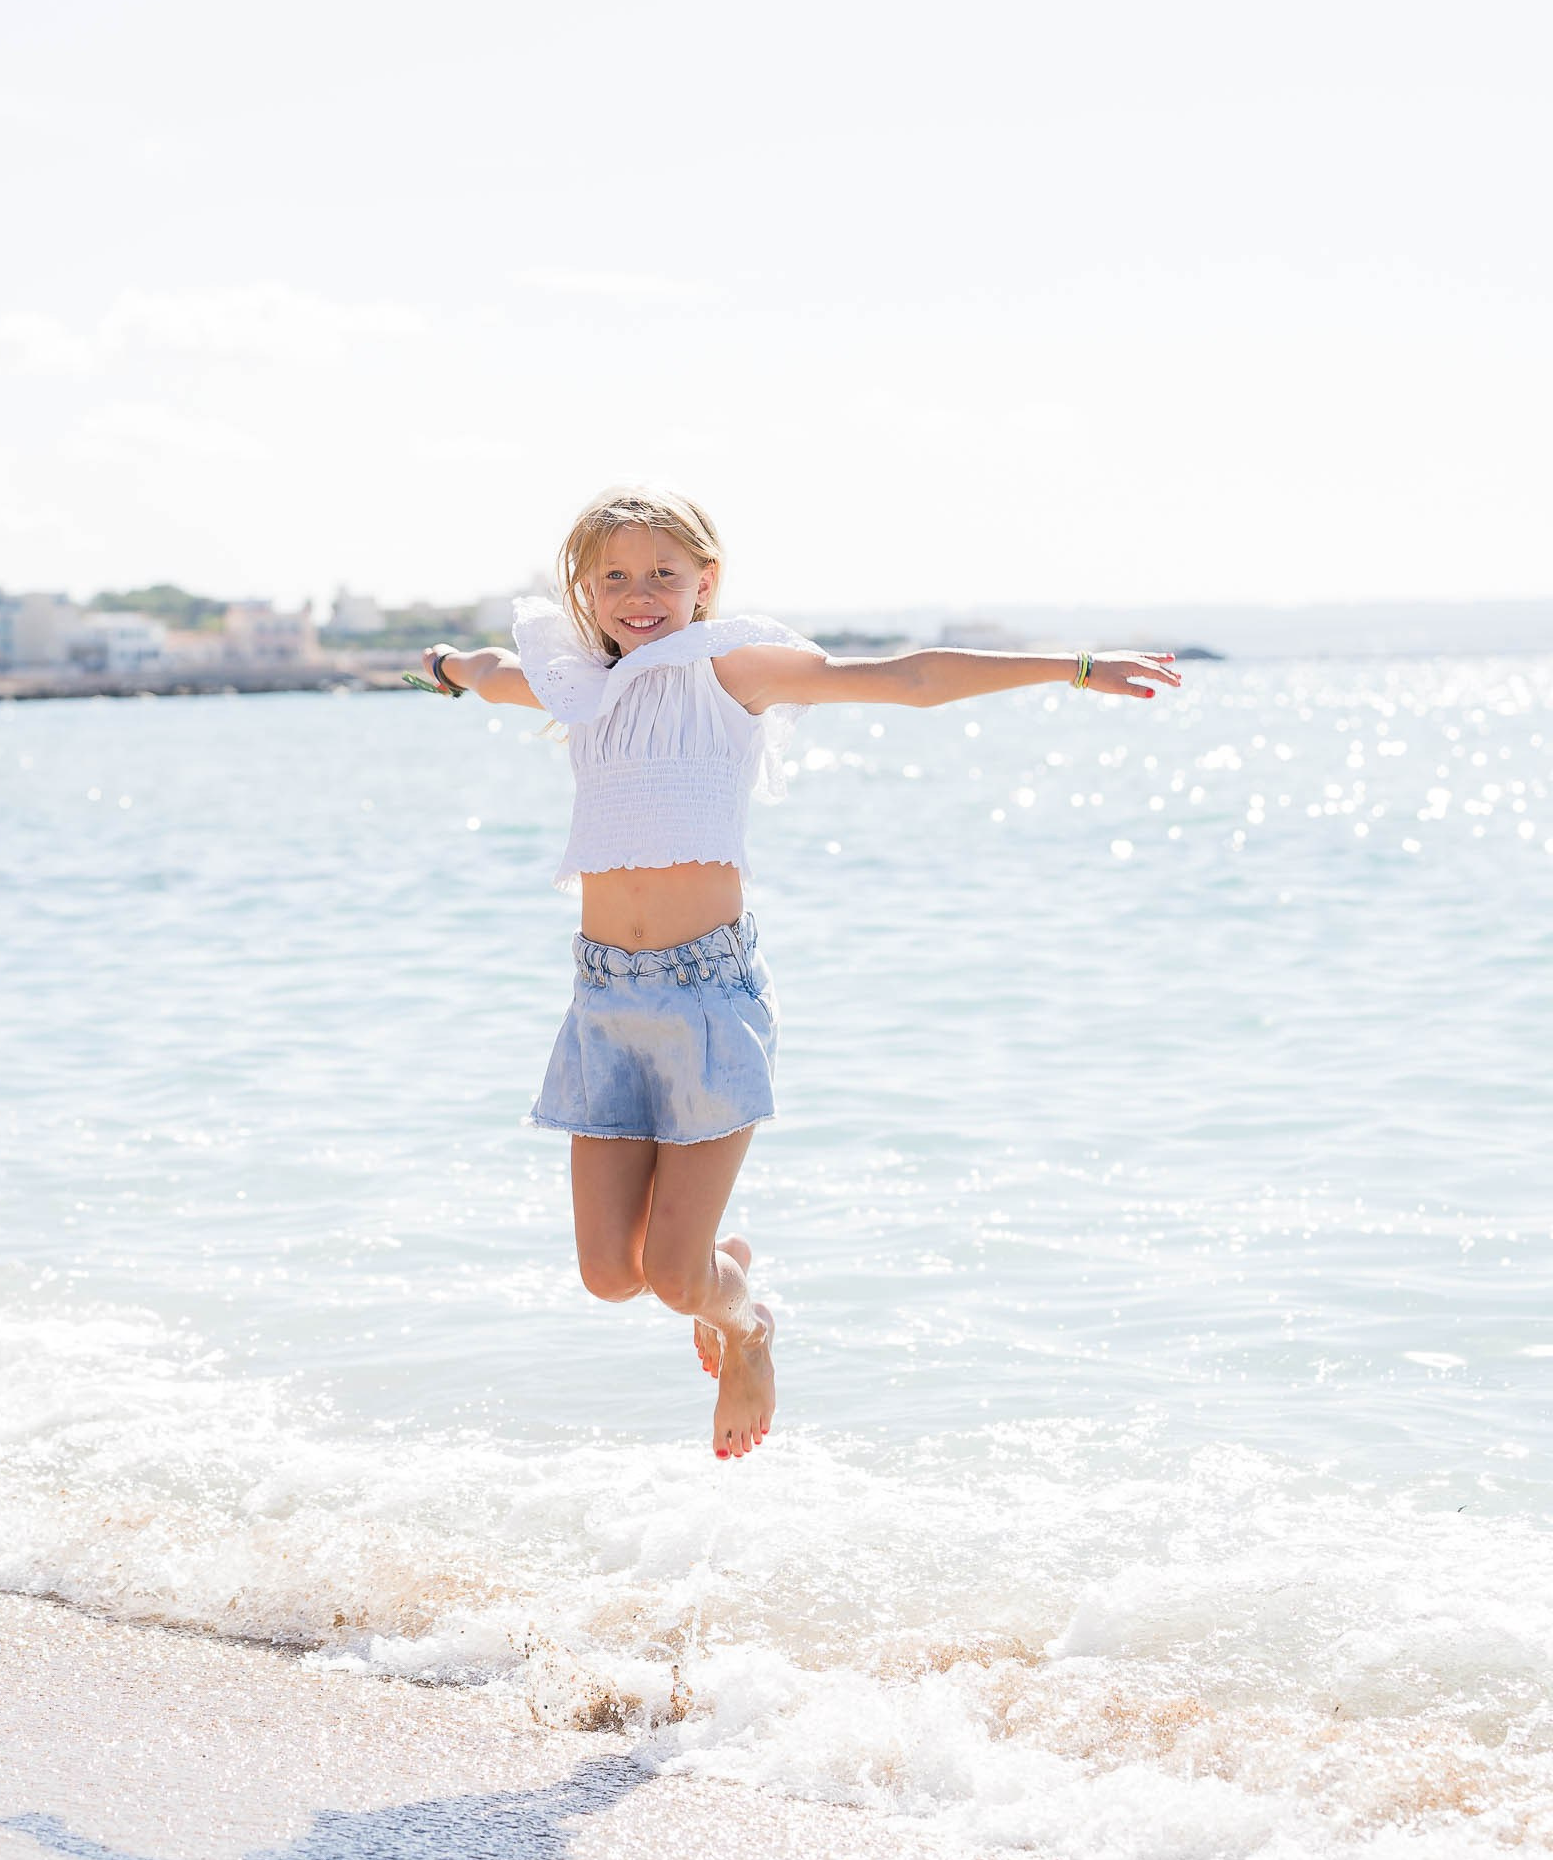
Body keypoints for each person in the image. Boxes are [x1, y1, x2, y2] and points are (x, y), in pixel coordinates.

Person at [418, 489, 1180, 1463]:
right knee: (611, 1277)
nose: (638, 594)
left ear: (706, 583)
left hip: (705, 995)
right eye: (612, 576)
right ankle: (718, 1275)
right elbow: (488, 673)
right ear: (584, 590)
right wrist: (439, 668)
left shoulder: (725, 668)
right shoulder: (578, 686)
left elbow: (902, 678)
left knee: (675, 1279)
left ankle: (749, 1324)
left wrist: (1071, 667)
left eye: (662, 573)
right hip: (601, 999)